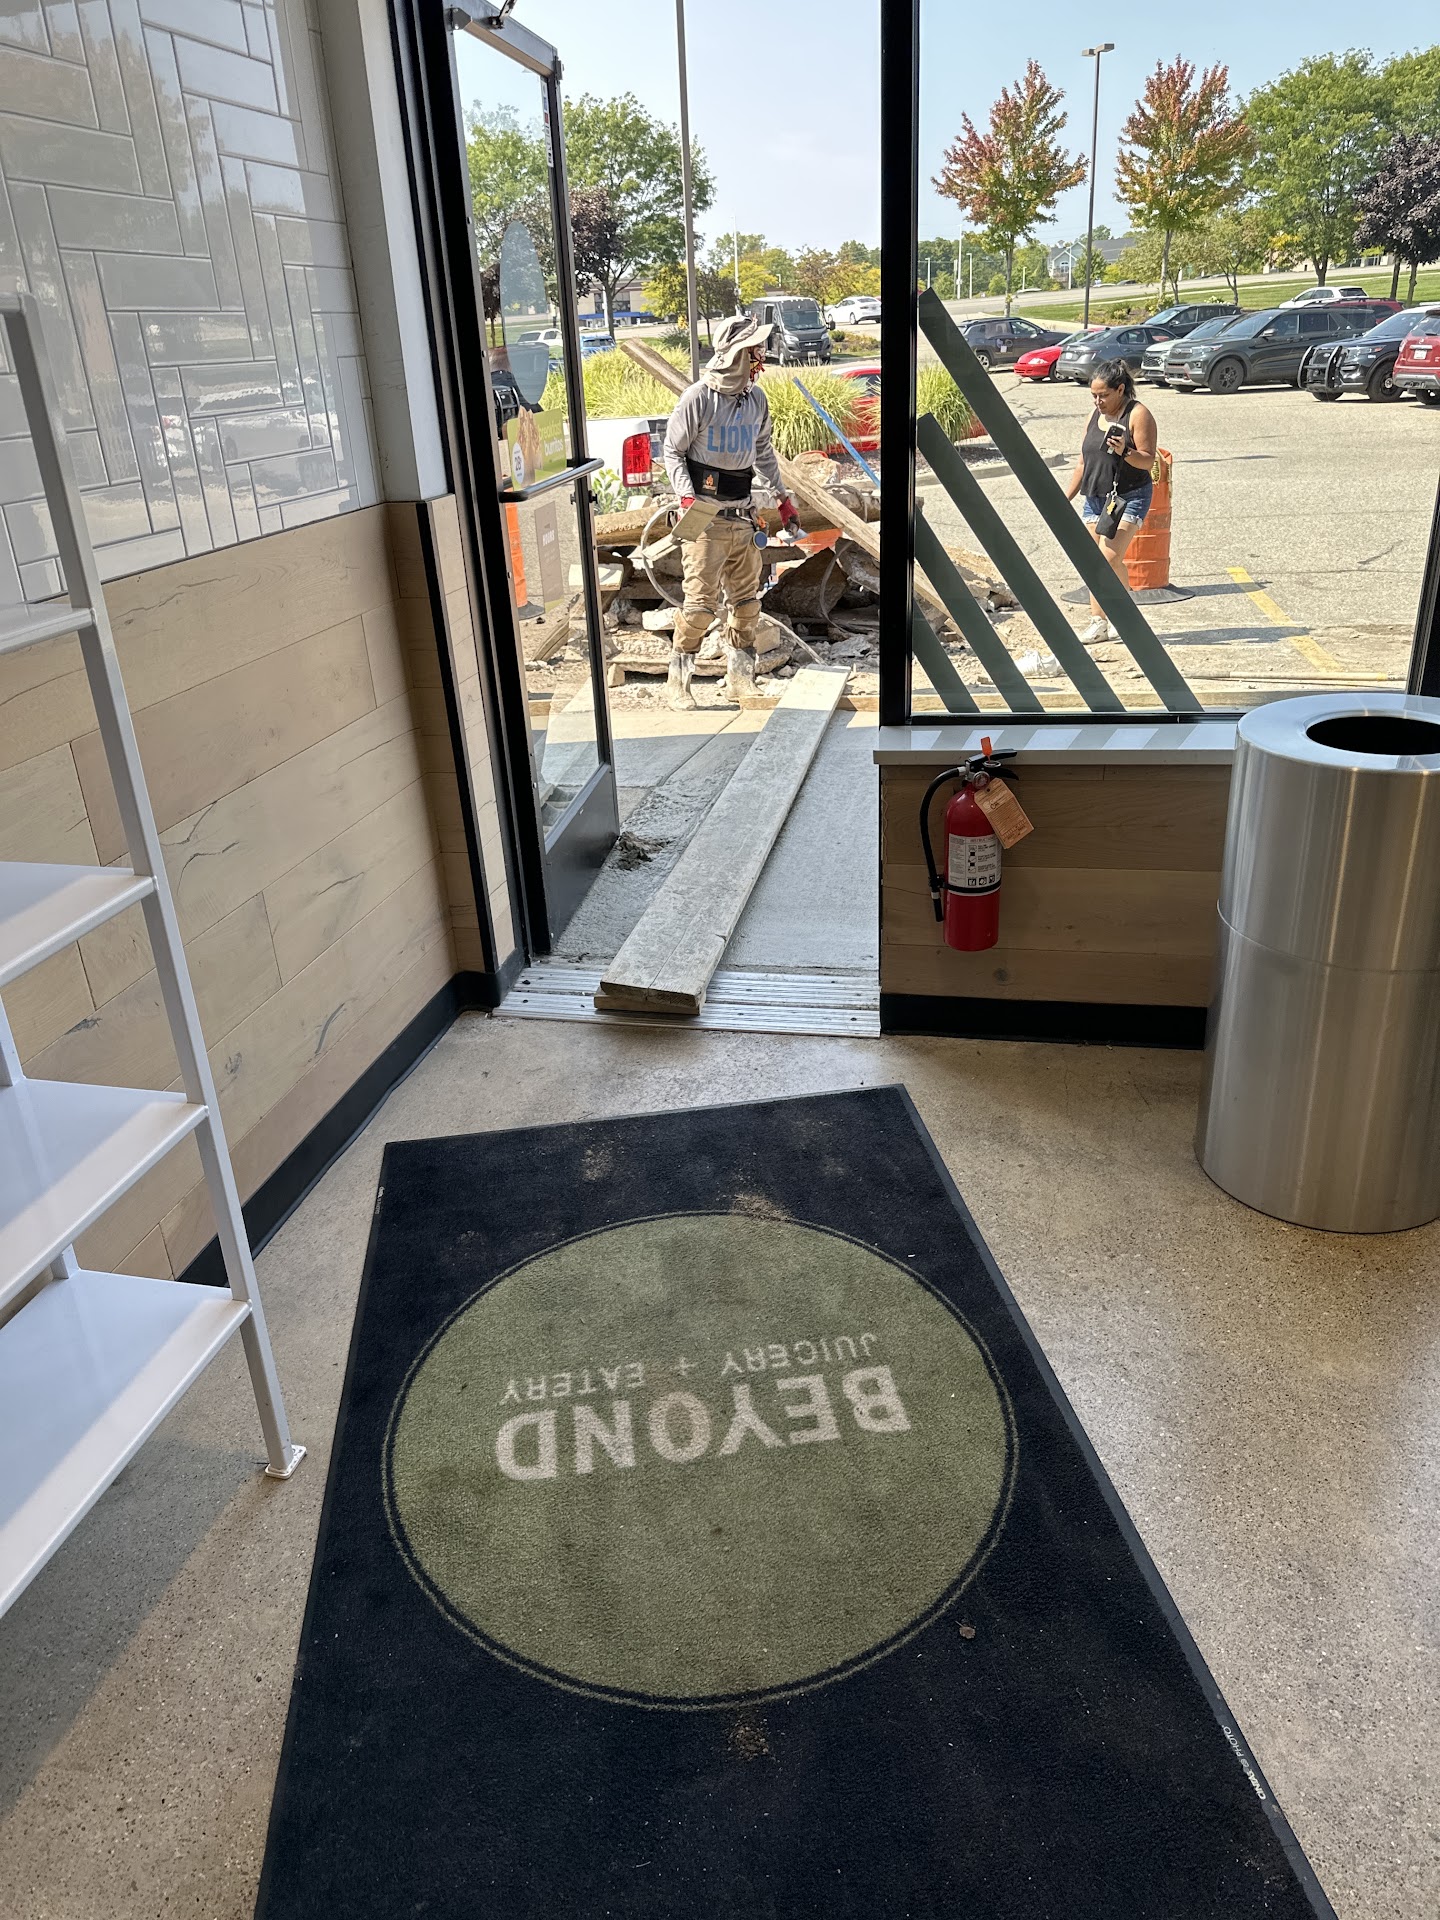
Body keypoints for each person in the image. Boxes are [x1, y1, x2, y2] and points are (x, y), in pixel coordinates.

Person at [661, 313, 802, 709]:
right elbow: (672, 451)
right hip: (705, 519)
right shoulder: (698, 398)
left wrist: (782, 498)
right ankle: (677, 682)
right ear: (737, 354)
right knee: (699, 609)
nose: (761, 356)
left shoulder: (756, 400)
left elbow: (763, 452)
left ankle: (740, 679)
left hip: (743, 516)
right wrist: (686, 497)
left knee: (746, 605)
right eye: (755, 349)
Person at [1064, 359, 1157, 645]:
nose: (1097, 401)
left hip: (1129, 496)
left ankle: (1118, 617)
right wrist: (1063, 499)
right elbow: (1082, 463)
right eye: (1093, 395)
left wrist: (1125, 451)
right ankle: (1103, 622)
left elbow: (1148, 461)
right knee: (1094, 562)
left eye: (1103, 395)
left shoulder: (1138, 414)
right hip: (1096, 497)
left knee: (1108, 558)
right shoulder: (1094, 415)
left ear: (1120, 389)